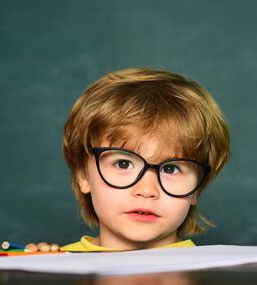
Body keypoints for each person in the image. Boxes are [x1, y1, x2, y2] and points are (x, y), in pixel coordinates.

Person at [26, 67, 230, 252]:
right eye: (123, 163)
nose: (147, 191)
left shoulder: (210, 271)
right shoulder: (59, 265)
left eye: (171, 169)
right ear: (83, 175)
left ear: (197, 187)